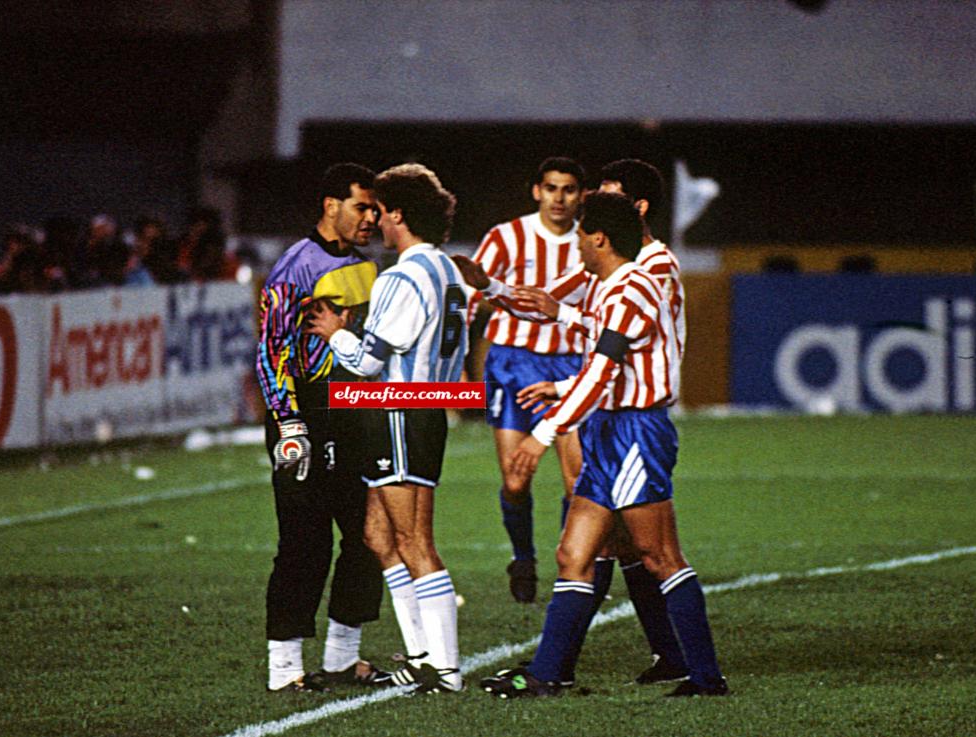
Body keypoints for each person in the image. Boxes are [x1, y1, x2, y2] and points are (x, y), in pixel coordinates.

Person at [478, 192, 728, 698]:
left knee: (658, 555)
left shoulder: (635, 287)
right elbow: (602, 342)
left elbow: (604, 367)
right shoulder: (611, 287)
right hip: (607, 432)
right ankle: (549, 674)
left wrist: (545, 431)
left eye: (581, 234)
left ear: (599, 238)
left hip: (637, 432)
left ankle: (705, 677)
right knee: (574, 555)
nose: (576, 244)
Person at [307, 163, 468, 694]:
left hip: (399, 411)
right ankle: (422, 655)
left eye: (380, 210)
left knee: (413, 539)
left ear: (399, 215)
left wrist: (334, 333)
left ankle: (444, 669)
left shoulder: (403, 275)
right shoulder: (447, 270)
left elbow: (369, 363)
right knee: (380, 536)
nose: (374, 218)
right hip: (424, 410)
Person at [254, 163, 389, 693]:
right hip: (306, 413)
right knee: (303, 542)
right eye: (362, 206)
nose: (370, 218)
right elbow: (271, 350)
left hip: (353, 409)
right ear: (331, 205)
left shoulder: (365, 265)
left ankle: (341, 659)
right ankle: (285, 668)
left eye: (375, 209)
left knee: (367, 536)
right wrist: (288, 421)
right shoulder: (295, 267)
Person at [466, 156, 587, 603]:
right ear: (537, 191)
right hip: (515, 363)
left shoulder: (591, 244)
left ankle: (567, 565)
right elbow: (470, 295)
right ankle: (523, 557)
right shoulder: (505, 237)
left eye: (569, 189)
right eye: (551, 188)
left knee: (576, 484)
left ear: (581, 195)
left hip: (570, 367)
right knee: (516, 480)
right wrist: (459, 359)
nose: (559, 197)